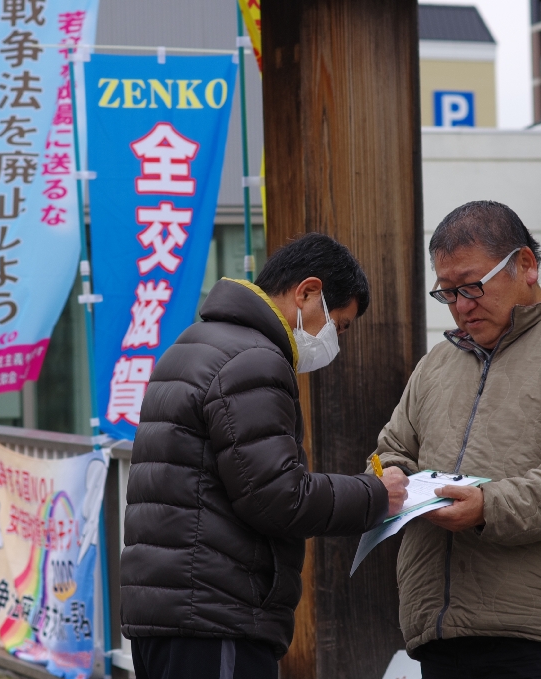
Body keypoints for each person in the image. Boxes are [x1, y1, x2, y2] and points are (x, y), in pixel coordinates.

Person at [370, 201, 541, 679]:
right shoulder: (436, 364)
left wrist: (489, 507)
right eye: (448, 293)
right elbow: (392, 448)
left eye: (473, 285)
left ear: (526, 265)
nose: (461, 304)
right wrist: (390, 478)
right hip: (439, 632)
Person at [120, 233, 408, 679]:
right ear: (307, 292)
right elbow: (277, 497)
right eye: (340, 325)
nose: (335, 342)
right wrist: (375, 495)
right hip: (216, 616)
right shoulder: (254, 359)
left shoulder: (195, 344)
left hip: (171, 611)